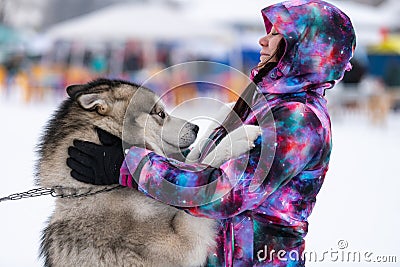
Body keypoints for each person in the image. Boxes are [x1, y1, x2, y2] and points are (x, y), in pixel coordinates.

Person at [67, 1, 356, 266]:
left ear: (304, 48)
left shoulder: (299, 119)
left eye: (278, 33)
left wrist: (128, 167)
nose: (263, 40)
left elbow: (224, 192)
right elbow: (205, 167)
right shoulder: (262, 102)